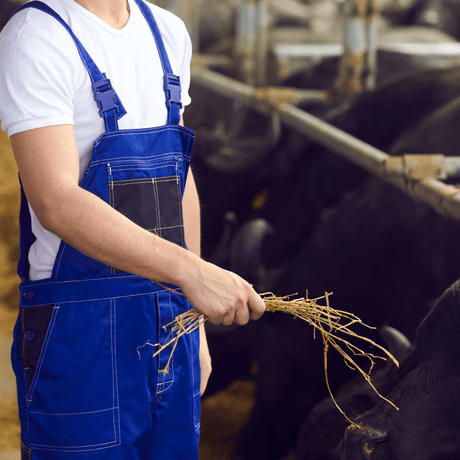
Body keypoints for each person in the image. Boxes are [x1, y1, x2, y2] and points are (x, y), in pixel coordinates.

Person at [0, 0, 266, 459]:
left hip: (172, 318)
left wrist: (194, 321)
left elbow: (180, 182)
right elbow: (56, 201)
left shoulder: (167, 32)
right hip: (80, 325)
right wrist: (192, 274)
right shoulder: (36, 36)